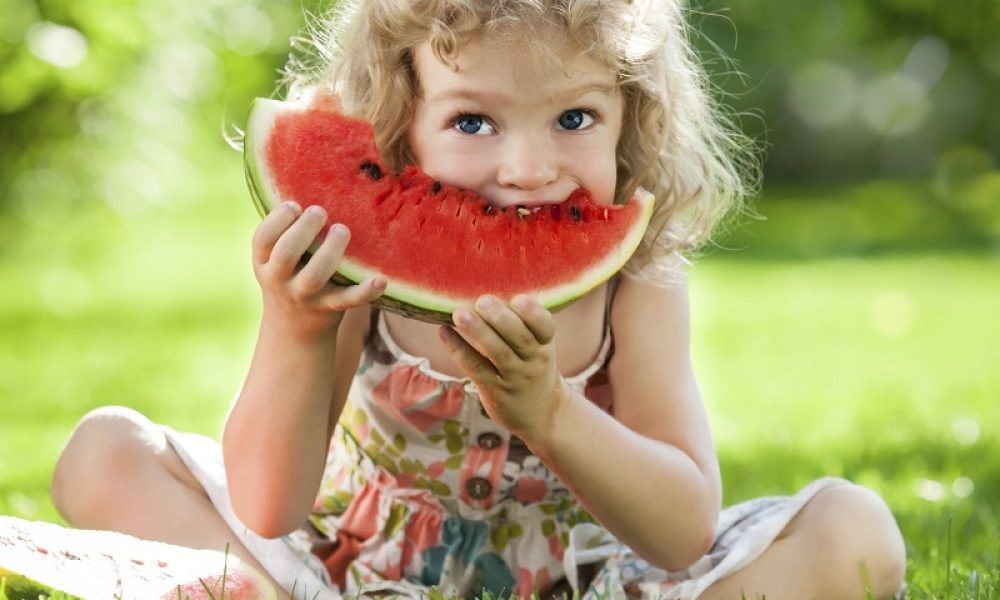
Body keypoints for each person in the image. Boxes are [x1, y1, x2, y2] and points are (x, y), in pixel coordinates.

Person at [49, 1, 907, 598]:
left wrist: (550, 412)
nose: (528, 168)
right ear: (398, 123)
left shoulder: (637, 277)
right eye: (472, 123)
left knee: (856, 531)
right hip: (353, 575)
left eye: (574, 119)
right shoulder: (359, 270)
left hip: (595, 583)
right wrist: (296, 327)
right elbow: (270, 504)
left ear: (632, 117)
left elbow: (683, 529)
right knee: (103, 452)